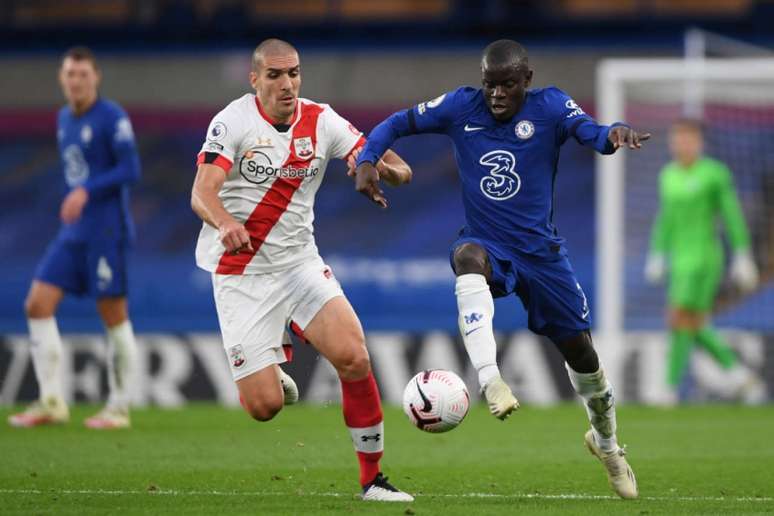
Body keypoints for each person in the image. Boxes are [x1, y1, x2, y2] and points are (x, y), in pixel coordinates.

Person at [355, 39, 649, 499]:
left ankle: (607, 445)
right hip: (487, 242)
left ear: (526, 81)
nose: (495, 95)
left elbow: (590, 131)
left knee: (583, 358)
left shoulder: (550, 106)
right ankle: (490, 379)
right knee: (466, 259)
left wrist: (614, 134)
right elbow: (397, 123)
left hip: (541, 255)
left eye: (506, 85)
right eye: (489, 85)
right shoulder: (459, 106)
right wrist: (368, 159)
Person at [190, 38, 414, 502]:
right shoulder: (232, 122)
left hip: (299, 265)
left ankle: (372, 479)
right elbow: (201, 193)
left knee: (354, 356)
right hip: (241, 273)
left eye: (293, 72)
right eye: (274, 74)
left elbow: (391, 164)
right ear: (255, 80)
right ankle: (273, 366)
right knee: (264, 407)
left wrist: (381, 170)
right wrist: (226, 221)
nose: (287, 83)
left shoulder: (321, 119)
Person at [8, 47, 141, 430]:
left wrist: (87, 190)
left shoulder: (112, 117)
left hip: (106, 230)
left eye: (83, 74)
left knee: (113, 314)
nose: (76, 81)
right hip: (74, 232)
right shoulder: (63, 118)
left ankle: (118, 407)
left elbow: (131, 169)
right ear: (61, 79)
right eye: (70, 74)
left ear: (96, 77)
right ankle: (51, 401)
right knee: (37, 303)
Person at [645, 118, 764, 403]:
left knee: (678, 317)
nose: (682, 144)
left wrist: (742, 253)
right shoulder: (668, 175)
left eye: (688, 139)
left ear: (700, 142)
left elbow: (731, 214)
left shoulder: (714, 173)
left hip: (705, 257)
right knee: (692, 321)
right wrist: (658, 252)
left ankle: (669, 389)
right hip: (679, 258)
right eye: (678, 139)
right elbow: (666, 219)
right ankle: (741, 377)